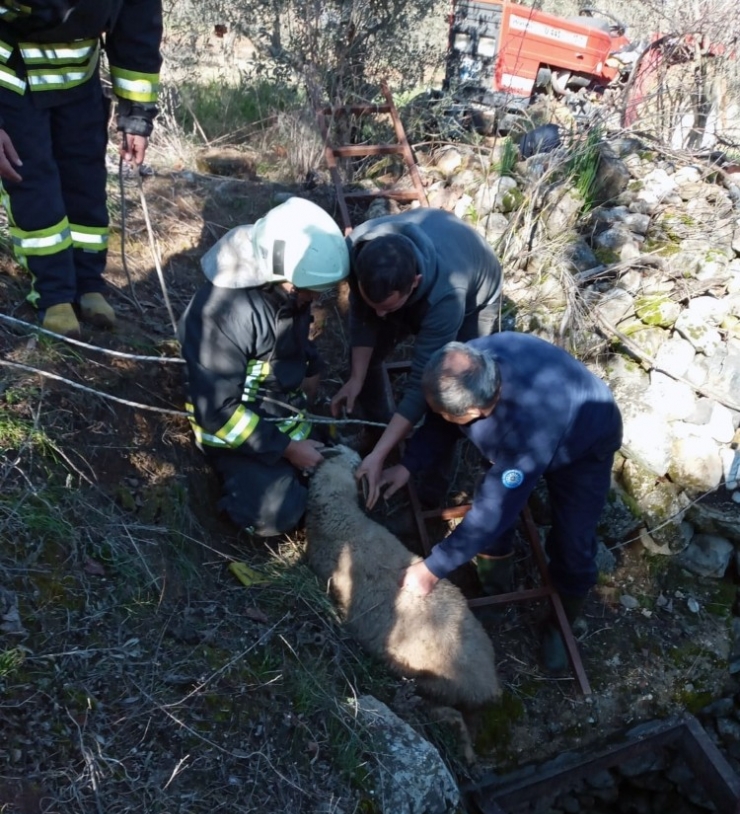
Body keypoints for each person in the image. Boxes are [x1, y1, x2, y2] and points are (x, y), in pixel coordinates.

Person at [378, 335, 623, 672]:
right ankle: (494, 588)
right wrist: (409, 465)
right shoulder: (468, 362)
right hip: (529, 429)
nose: (443, 418)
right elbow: (440, 419)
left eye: (453, 415)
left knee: (573, 538)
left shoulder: (526, 429)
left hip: (584, 442)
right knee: (494, 507)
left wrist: (432, 568)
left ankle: (561, 619)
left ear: (476, 411)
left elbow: (494, 510)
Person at [177, 197, 350, 538]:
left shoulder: (284, 291)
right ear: (282, 273)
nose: (313, 299)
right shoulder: (222, 315)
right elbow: (217, 413)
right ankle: (237, 505)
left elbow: (293, 341)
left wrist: (312, 368)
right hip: (235, 437)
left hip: (279, 416)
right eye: (308, 292)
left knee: (336, 463)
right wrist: (288, 449)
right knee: (276, 512)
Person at [0, 1, 163, 337]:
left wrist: (137, 114)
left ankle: (88, 283)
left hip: (80, 78)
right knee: (34, 185)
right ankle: (54, 294)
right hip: (12, 74)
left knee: (85, 184)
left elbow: (137, 24)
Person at [329, 208, 503, 504]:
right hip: (420, 274)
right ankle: (381, 431)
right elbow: (363, 315)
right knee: (368, 357)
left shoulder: (447, 297)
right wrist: (357, 378)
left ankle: (432, 486)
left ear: (415, 282)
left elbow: (420, 387)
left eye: (389, 308)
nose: (379, 316)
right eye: (375, 304)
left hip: (476, 292)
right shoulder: (358, 251)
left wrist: (379, 457)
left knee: (451, 392)